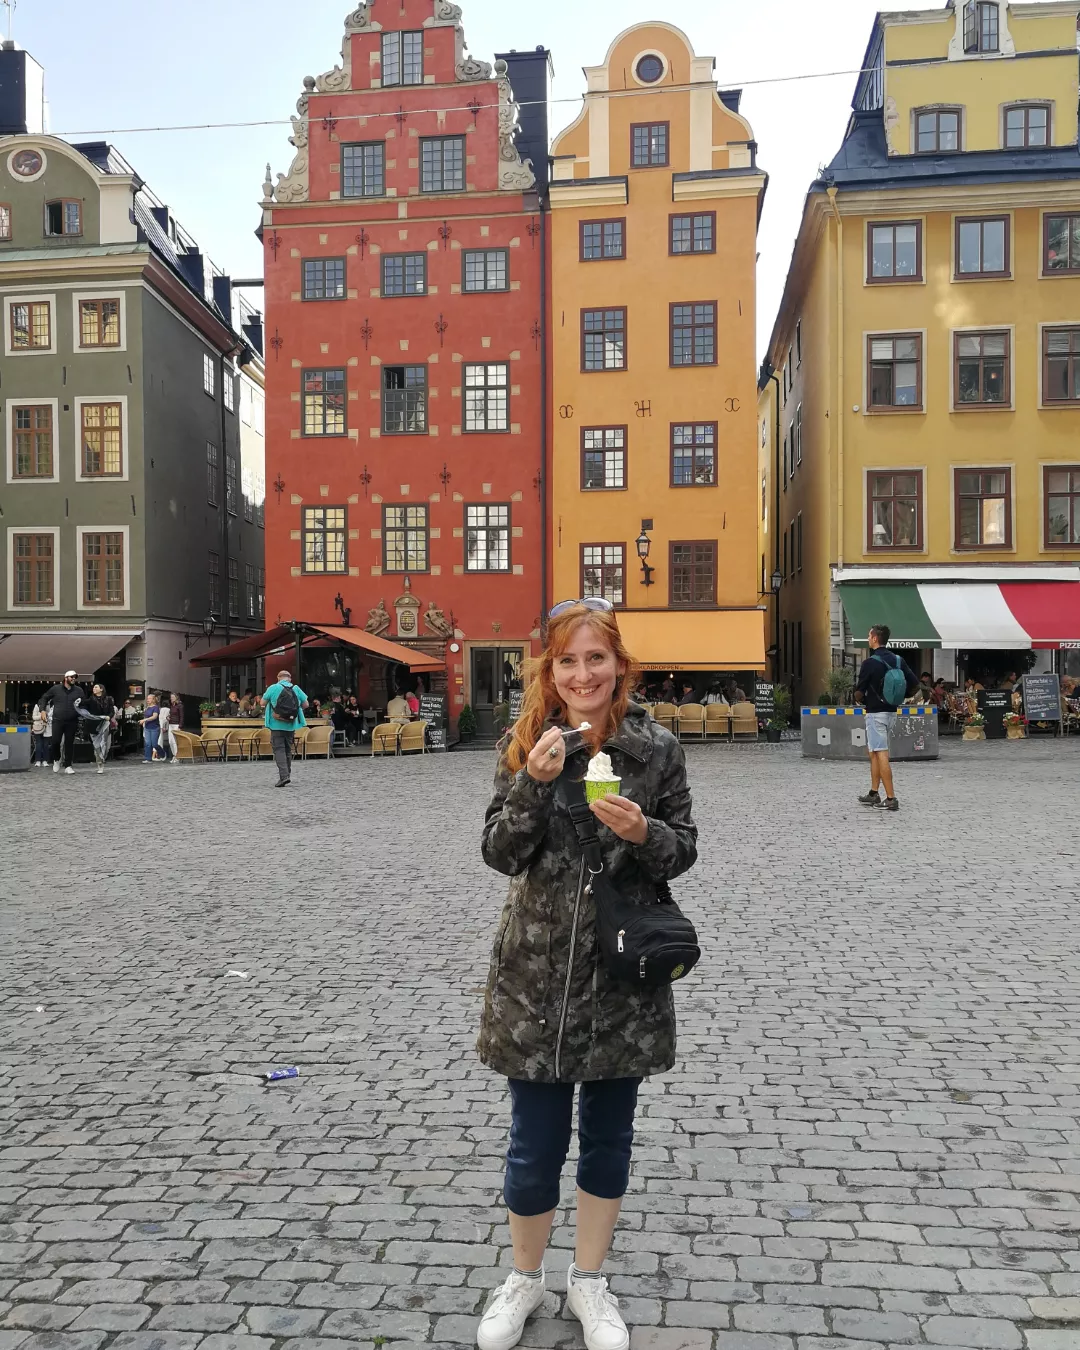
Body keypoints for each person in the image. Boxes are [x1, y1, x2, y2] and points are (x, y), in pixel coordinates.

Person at [475, 598, 698, 1350]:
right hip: (535, 974)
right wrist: (533, 786)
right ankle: (525, 1278)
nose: (582, 674)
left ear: (618, 666)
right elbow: (499, 853)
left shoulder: (656, 750)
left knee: (608, 1138)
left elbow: (684, 848)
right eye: (567, 661)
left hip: (621, 973)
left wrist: (646, 831)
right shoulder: (525, 743)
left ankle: (589, 1280)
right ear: (551, 671)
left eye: (595, 658)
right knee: (533, 1142)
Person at [854, 625, 919, 812]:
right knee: (874, 752)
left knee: (881, 753)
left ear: (875, 638)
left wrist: (861, 699)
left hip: (875, 714)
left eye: (869, 635)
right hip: (891, 712)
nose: (868, 638)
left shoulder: (869, 663)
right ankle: (874, 793)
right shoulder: (898, 660)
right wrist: (899, 697)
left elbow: (859, 693)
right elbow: (915, 686)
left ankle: (891, 798)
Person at [260, 669, 309, 787]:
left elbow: (262, 703)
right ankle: (287, 774)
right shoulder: (296, 688)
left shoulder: (273, 688)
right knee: (287, 750)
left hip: (276, 724)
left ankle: (284, 776)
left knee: (279, 750)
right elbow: (306, 704)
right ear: (290, 679)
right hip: (291, 725)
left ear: (278, 678)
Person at [38, 671, 86, 774]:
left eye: (75, 677)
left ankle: (68, 765)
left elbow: (84, 704)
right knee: (55, 742)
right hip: (58, 720)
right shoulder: (56, 688)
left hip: (72, 720)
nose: (74, 679)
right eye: (72, 677)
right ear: (66, 678)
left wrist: (81, 708)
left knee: (69, 743)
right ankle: (56, 759)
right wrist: (42, 710)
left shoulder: (79, 690)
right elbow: (44, 698)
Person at [84, 685, 116, 774]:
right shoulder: (91, 699)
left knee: (105, 745)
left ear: (101, 689)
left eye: (96, 687)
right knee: (97, 746)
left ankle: (102, 759)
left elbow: (112, 711)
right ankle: (100, 764)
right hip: (93, 725)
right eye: (93, 687)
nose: (94, 689)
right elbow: (83, 706)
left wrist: (109, 717)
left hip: (105, 723)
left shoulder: (108, 699)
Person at [141, 694, 161, 762]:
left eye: (149, 698)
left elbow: (154, 717)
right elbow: (145, 716)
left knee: (154, 744)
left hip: (154, 727)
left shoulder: (156, 707)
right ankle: (148, 758)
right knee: (148, 744)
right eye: (147, 698)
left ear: (153, 700)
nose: (147, 700)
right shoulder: (147, 708)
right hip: (147, 727)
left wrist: (145, 720)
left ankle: (162, 753)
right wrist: (143, 721)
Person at [31, 699, 50, 766]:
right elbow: (34, 717)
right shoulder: (37, 706)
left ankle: (45, 760)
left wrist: (48, 716)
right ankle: (38, 760)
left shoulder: (49, 706)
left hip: (47, 727)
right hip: (38, 727)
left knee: (46, 745)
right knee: (39, 744)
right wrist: (41, 716)